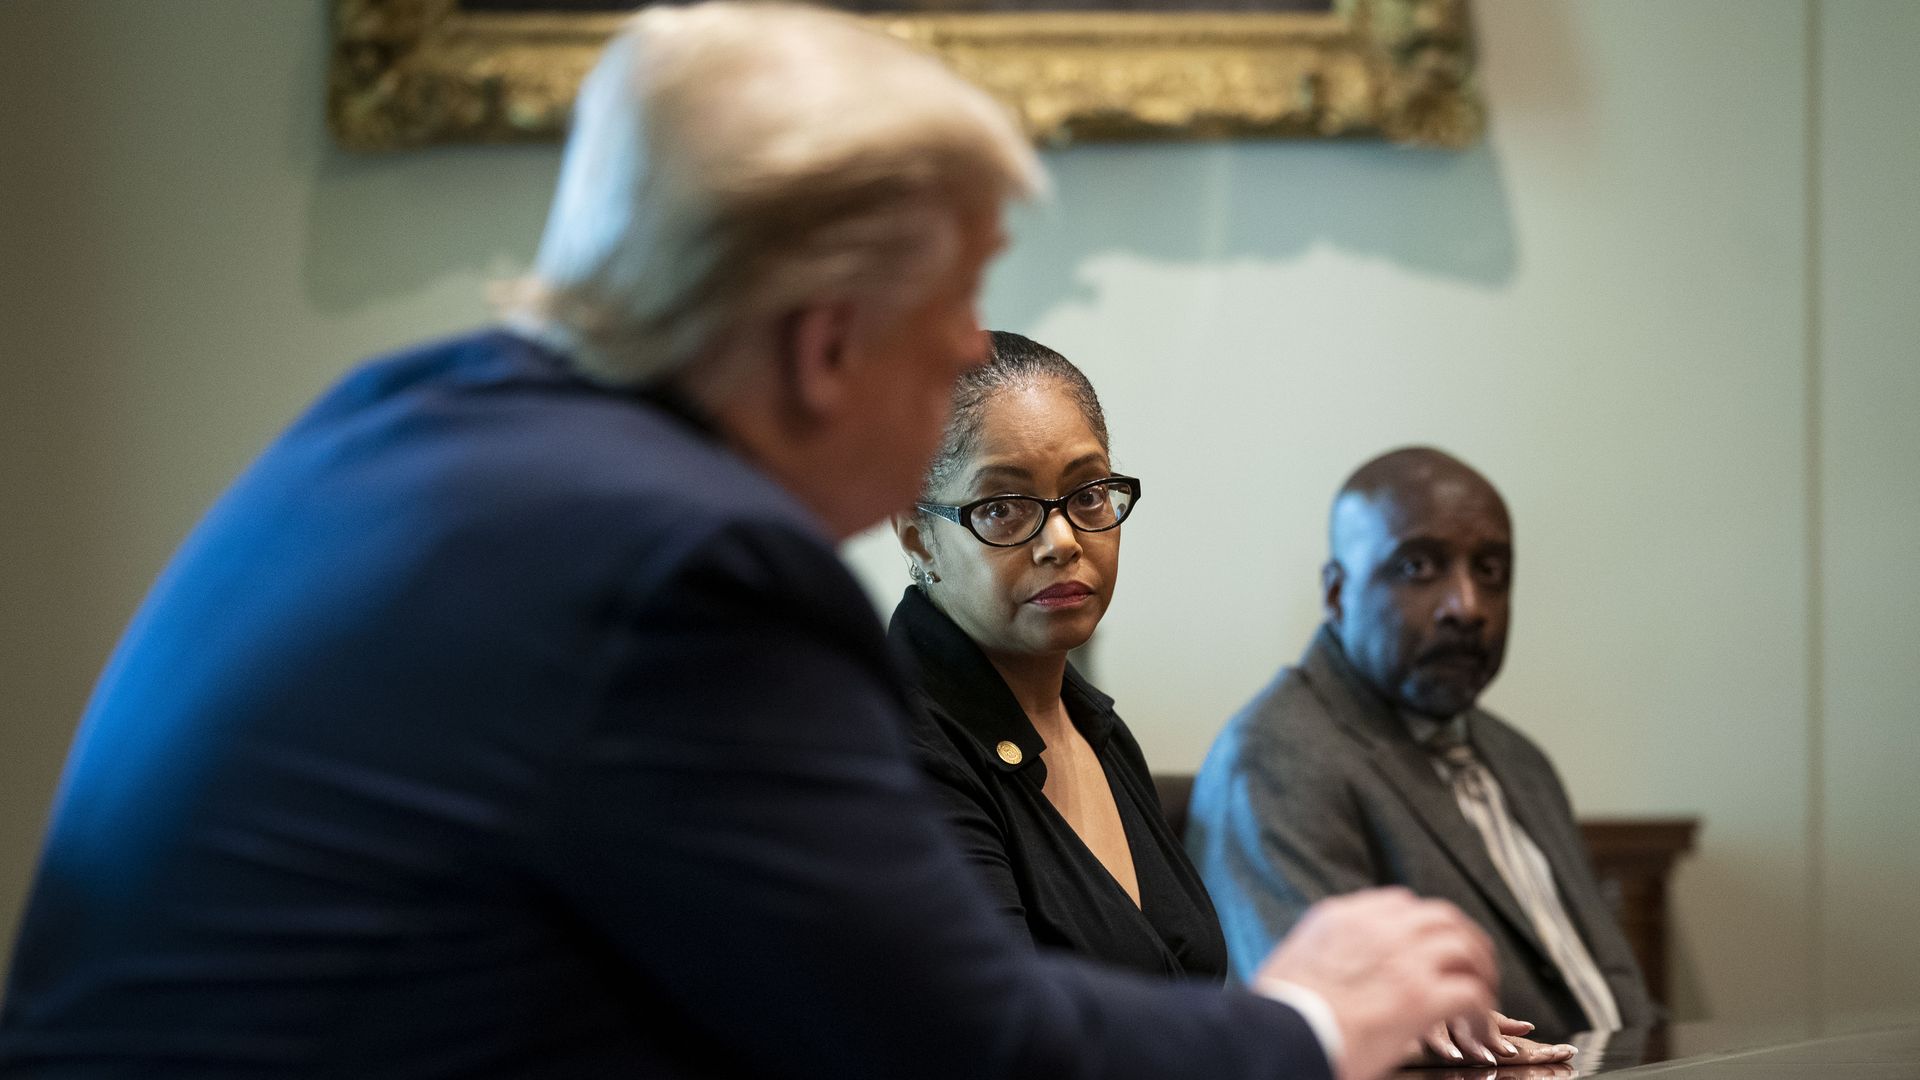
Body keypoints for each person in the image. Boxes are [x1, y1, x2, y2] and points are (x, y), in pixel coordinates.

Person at [1, 7, 1502, 1077]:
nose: (974, 348)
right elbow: (957, 1049)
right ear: (823, 345)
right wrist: (1309, 1019)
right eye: (957, 305)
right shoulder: (683, 566)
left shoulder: (407, 418)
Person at [892, 337, 1574, 1066]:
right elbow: (1007, 1050)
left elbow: (1174, 1007)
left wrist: (1386, 1020)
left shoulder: (1097, 728)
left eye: (1088, 494)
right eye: (1004, 507)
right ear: (918, 537)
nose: (1062, 539)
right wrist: (1306, 1019)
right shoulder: (899, 743)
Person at [1186, 446, 1657, 1044]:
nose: (1468, 607)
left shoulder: (1519, 758)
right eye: (1417, 568)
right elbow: (1328, 1033)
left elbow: (1620, 1001)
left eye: (1490, 572)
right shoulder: (1276, 759)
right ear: (1336, 594)